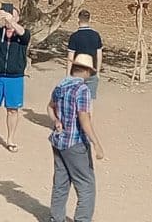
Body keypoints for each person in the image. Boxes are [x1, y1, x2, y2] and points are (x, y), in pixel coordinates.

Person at [47, 52, 105, 222]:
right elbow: (84, 118)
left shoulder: (61, 86)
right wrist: (96, 143)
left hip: (59, 140)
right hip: (75, 142)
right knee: (86, 186)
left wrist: (56, 120)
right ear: (87, 71)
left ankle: (56, 218)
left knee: (61, 182)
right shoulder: (82, 89)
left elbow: (50, 107)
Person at [0, 3, 29, 153]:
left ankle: (10, 139)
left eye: (13, 15)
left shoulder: (22, 34)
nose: (9, 18)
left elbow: (24, 34)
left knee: (13, 110)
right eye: (8, 14)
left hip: (15, 78)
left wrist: (12, 22)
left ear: (17, 17)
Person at [66, 10, 103, 103]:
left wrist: (67, 75)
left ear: (78, 19)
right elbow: (99, 54)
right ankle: (88, 117)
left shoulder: (74, 36)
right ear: (89, 19)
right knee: (89, 101)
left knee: (75, 99)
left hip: (77, 73)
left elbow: (70, 57)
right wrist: (98, 72)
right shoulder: (96, 35)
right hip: (91, 72)